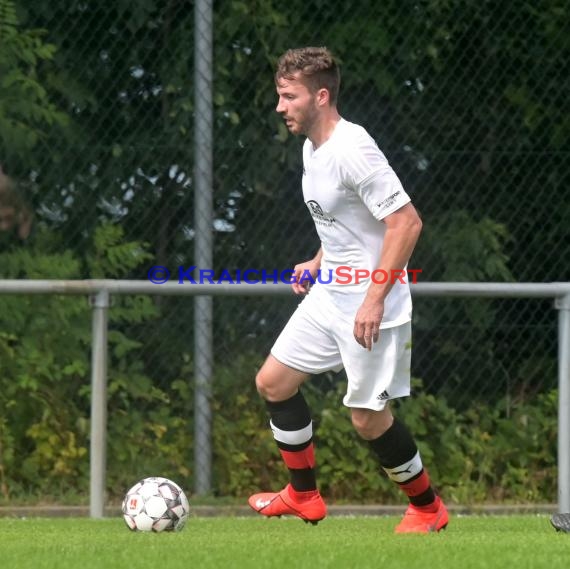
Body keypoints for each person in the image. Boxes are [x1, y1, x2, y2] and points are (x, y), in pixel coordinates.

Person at [247, 46, 448, 533]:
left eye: (288, 97)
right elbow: (345, 220)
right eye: (279, 96)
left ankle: (427, 508)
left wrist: (374, 299)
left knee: (367, 420)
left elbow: (405, 223)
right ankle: (303, 496)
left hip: (370, 301)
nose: (280, 107)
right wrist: (318, 261)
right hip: (330, 295)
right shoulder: (310, 147)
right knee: (273, 382)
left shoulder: (352, 149)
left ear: (320, 96)